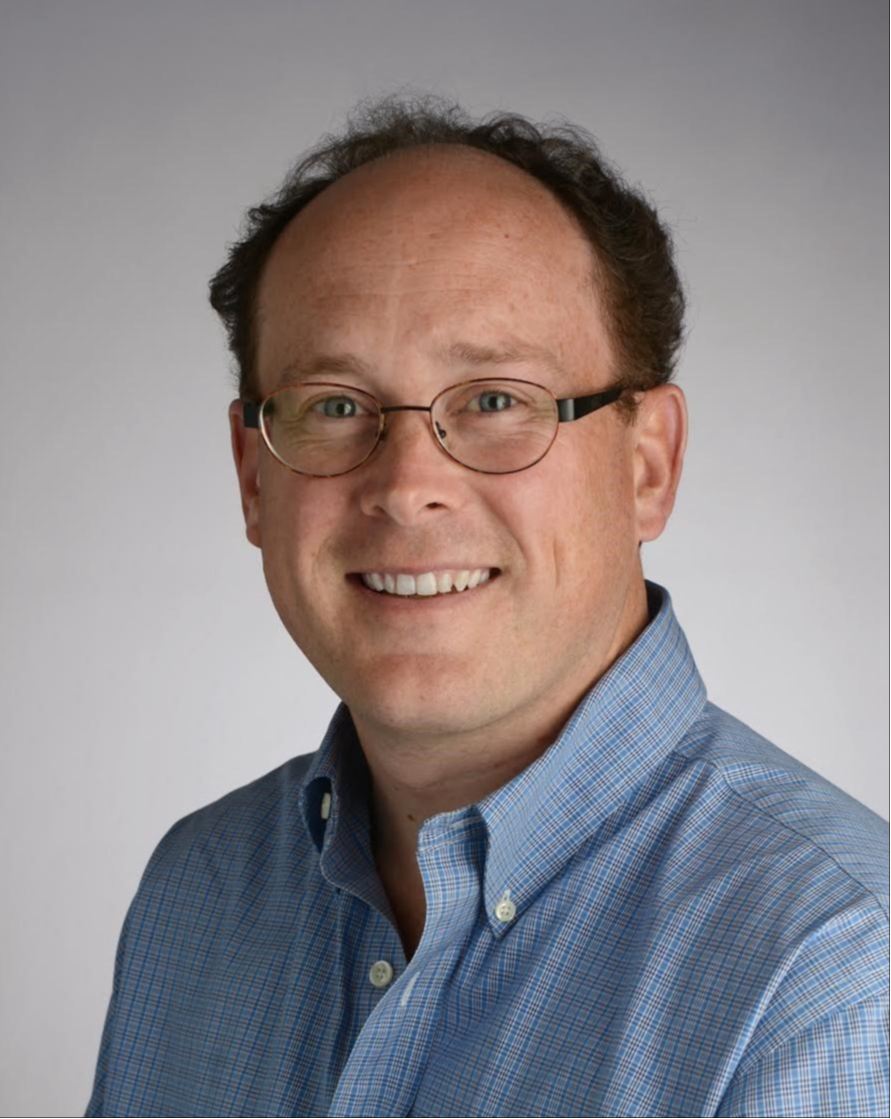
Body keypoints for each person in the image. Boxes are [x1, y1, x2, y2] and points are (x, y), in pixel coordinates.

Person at [84, 94, 889, 1118]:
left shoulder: (835, 977)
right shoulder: (198, 894)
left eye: (497, 399)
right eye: (335, 405)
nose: (407, 481)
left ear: (648, 465)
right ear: (254, 478)